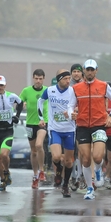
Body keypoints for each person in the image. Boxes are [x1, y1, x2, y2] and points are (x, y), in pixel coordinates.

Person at [68, 59, 111, 200]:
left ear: (96, 71)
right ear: (84, 70)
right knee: (85, 159)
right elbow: (70, 104)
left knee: (97, 156)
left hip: (99, 125)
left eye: (92, 70)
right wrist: (71, 112)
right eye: (87, 69)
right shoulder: (76, 88)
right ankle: (90, 188)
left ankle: (97, 170)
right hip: (82, 126)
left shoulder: (103, 86)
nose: (89, 72)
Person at [37, 69, 76, 197]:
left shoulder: (73, 91)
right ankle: (59, 169)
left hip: (69, 129)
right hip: (55, 129)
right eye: (65, 79)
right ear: (59, 79)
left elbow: (78, 106)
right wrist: (41, 118)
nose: (68, 81)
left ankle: (65, 185)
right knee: (56, 157)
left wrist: (73, 113)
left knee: (69, 161)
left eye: (69, 78)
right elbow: (40, 102)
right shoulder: (49, 90)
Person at [19, 69, 48, 189]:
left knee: (39, 145)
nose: (38, 81)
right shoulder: (26, 91)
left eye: (40, 79)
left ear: (43, 79)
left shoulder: (47, 90)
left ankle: (42, 170)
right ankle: (35, 175)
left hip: (42, 122)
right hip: (30, 123)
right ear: (33, 78)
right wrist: (22, 104)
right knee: (33, 151)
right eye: (36, 78)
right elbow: (19, 103)